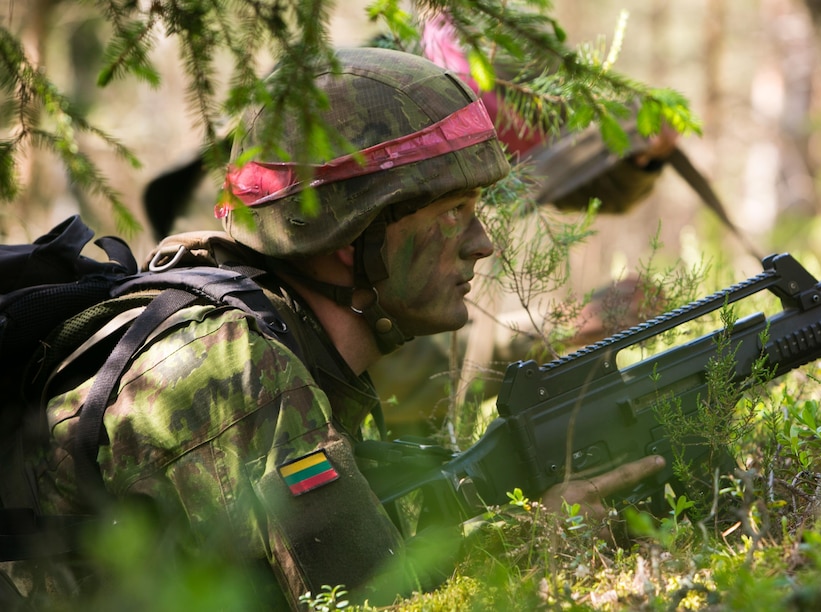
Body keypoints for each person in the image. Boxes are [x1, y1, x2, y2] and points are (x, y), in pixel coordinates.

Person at [3, 47, 664, 609]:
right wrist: (537, 543)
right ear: (353, 235)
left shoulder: (284, 338)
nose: (482, 243)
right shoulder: (233, 365)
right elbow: (369, 601)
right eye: (454, 210)